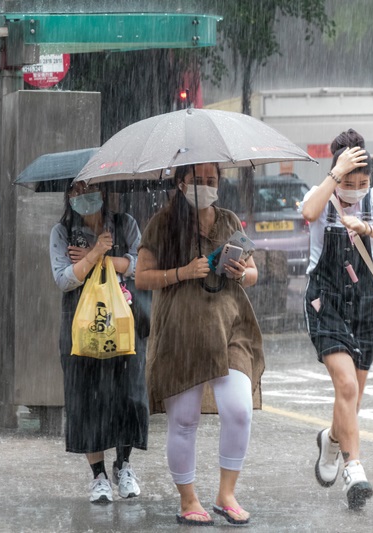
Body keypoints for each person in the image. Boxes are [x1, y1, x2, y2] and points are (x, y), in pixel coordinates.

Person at [135, 163, 264, 526]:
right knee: (185, 420)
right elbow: (141, 276)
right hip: (181, 331)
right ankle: (188, 499)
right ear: (180, 184)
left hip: (230, 327)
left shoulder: (228, 221)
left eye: (212, 181)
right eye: (198, 181)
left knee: (239, 410)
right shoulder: (162, 224)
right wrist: (183, 272)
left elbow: (253, 272)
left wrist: (244, 273)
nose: (206, 187)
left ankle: (226, 495)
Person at [300, 129, 373, 510]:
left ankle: (330, 440)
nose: (356, 189)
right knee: (346, 387)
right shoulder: (322, 196)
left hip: (365, 305)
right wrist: (335, 176)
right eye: (350, 181)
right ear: (337, 174)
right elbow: (308, 212)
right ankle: (354, 469)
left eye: (363, 182)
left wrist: (368, 227)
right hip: (325, 303)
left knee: (354, 398)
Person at [49, 181, 149, 504]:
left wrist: (101, 260)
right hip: (82, 330)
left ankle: (124, 465)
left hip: (121, 326)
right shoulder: (62, 234)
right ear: (69, 196)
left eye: (88, 189)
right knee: (86, 400)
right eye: (76, 191)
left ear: (102, 192)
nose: (83, 197)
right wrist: (95, 253)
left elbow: (139, 266)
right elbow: (64, 279)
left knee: (128, 396)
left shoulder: (126, 225)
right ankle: (99, 477)